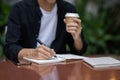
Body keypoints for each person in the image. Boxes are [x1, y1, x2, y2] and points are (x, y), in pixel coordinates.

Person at [4, 0, 87, 63]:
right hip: (27, 68)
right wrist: (32, 53)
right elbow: (10, 47)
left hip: (58, 67)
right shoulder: (20, 9)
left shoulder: (68, 10)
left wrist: (77, 38)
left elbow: (78, 51)